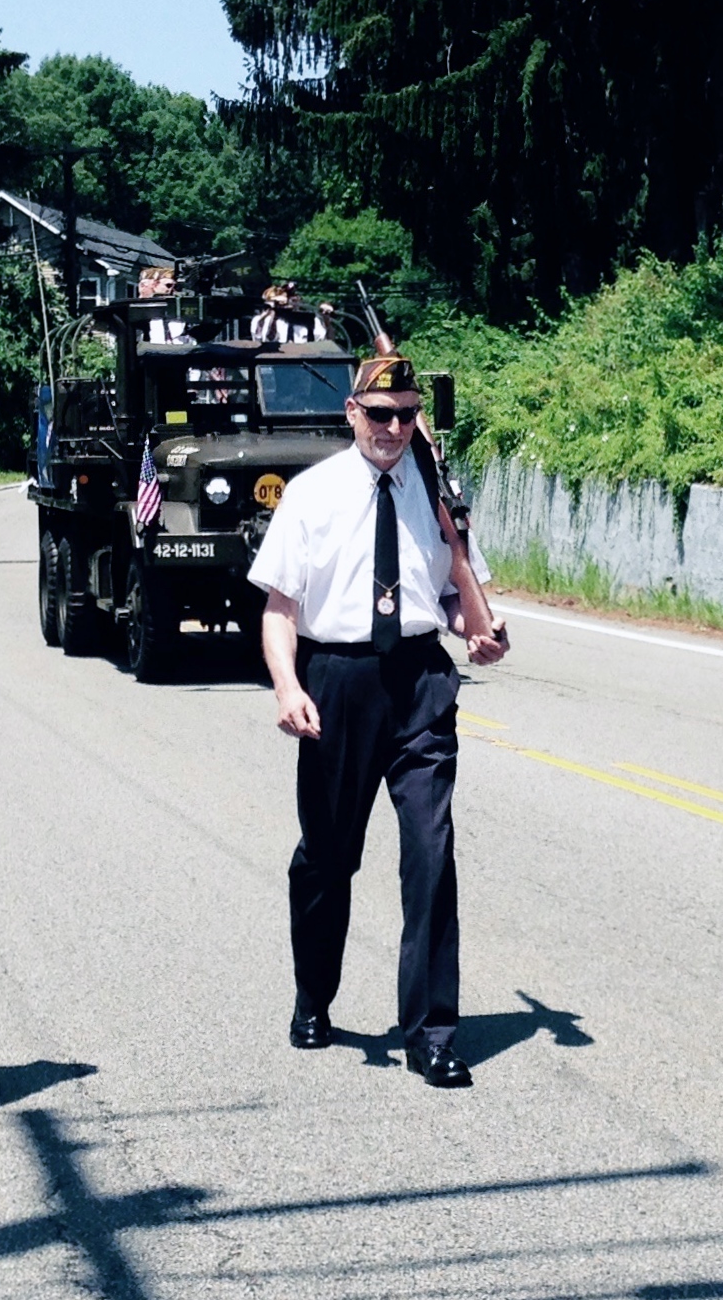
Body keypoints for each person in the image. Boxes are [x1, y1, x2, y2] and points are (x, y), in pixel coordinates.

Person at [250, 352, 507, 1085]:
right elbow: (280, 608)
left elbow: (455, 589)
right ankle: (313, 992)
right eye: (380, 413)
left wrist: (477, 631)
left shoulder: (434, 492)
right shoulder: (312, 494)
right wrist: (286, 684)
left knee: (431, 851)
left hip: (420, 677)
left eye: (406, 414)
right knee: (329, 856)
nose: (393, 428)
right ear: (352, 413)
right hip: (338, 679)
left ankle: (429, 1030)